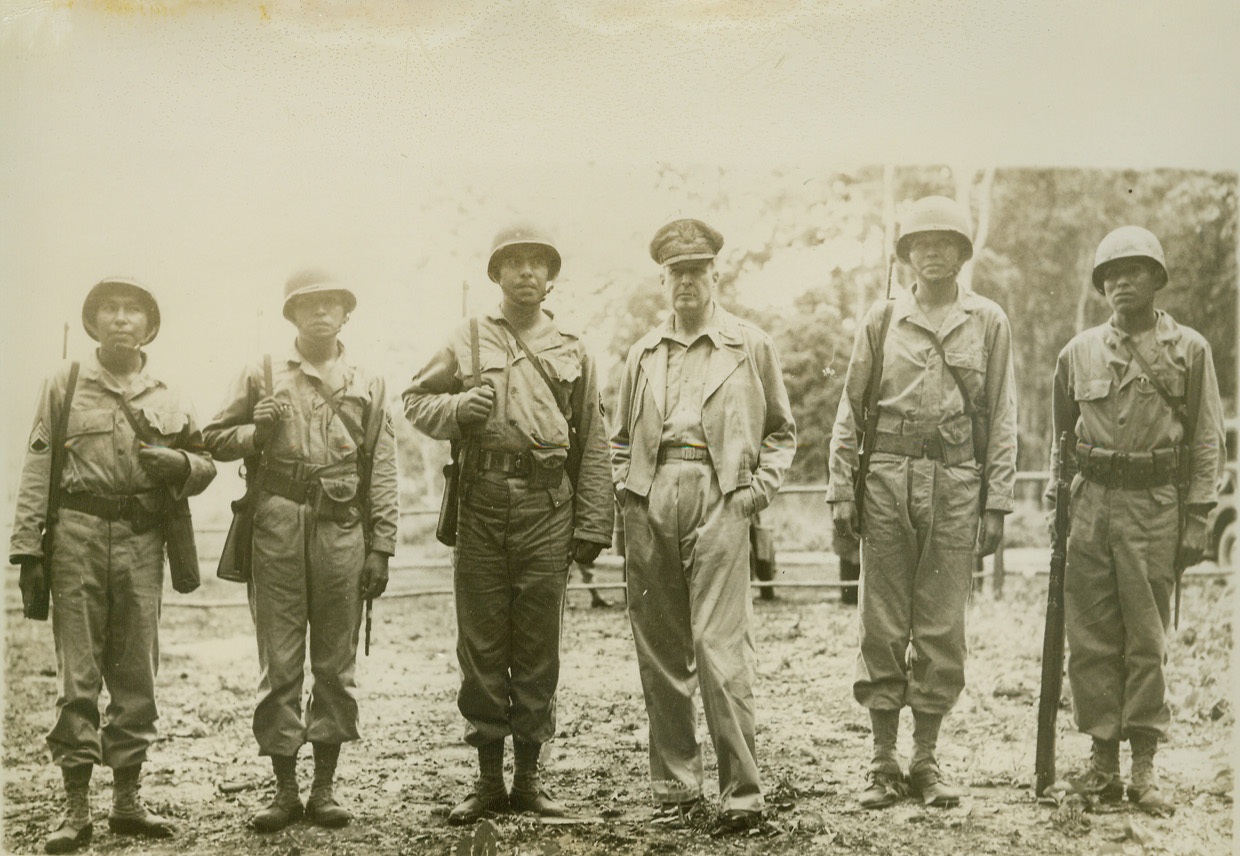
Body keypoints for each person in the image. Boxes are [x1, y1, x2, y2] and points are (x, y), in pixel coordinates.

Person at [403, 224, 613, 824]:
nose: (526, 273)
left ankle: (529, 781)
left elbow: (593, 441)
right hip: (481, 502)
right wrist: (455, 409)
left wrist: (593, 523)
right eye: (513, 264)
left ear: (551, 278)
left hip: (548, 506)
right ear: (495, 276)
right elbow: (415, 401)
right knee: (483, 643)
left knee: (539, 643)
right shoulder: (465, 340)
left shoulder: (574, 348)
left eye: (537, 264)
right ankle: (488, 781)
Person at [10, 278, 216, 853]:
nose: (121, 319)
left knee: (135, 670)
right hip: (75, 535)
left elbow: (204, 464)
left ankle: (127, 801)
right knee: (78, 672)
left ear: (149, 326)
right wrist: (28, 549)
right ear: (92, 322)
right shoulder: (64, 382)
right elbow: (37, 465)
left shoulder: (170, 394)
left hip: (142, 538)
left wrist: (178, 463)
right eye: (109, 309)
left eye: (133, 311)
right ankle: (76, 808)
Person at [827, 196, 1017, 810]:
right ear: (906, 254)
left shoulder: (988, 321)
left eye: (946, 243)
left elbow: (1004, 414)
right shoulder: (881, 321)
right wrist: (839, 493)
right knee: (881, 622)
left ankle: (926, 760)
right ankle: (882, 761)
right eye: (920, 243)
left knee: (941, 624)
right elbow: (850, 411)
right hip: (885, 477)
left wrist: (997, 502)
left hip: (957, 481)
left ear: (962, 253)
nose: (933, 253)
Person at [611, 218, 796, 835]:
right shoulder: (641, 353)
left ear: (716, 274)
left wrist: (757, 491)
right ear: (662, 279)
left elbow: (781, 432)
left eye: (697, 270)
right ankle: (676, 789)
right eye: (675, 272)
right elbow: (616, 440)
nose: (686, 282)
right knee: (661, 649)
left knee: (719, 648)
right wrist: (627, 493)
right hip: (652, 496)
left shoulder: (750, 345)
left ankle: (742, 793)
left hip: (721, 495)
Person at [203, 271, 398, 832]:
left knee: (335, 665)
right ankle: (285, 790)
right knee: (280, 664)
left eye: (331, 304)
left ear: (345, 313)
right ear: (292, 314)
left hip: (343, 528)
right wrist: (253, 434)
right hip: (276, 527)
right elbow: (213, 438)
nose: (320, 313)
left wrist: (381, 545)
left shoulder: (368, 380)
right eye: (308, 305)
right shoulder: (261, 374)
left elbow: (381, 468)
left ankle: (325, 788)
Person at [1048, 226, 1223, 817]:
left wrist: (1198, 514)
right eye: (1111, 275)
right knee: (1093, 636)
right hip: (1091, 504)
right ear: (1100, 287)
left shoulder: (1189, 350)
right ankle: (1102, 762)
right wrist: (1057, 506)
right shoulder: (1077, 352)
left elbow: (1205, 438)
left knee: (1146, 638)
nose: (1121, 282)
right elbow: (1061, 441)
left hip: (1154, 507)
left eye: (1134, 271)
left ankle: (1144, 765)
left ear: (1157, 279)